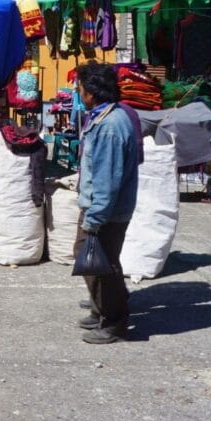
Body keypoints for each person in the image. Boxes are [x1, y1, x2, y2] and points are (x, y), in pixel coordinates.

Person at [74, 62, 140, 344]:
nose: (78, 93)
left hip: (106, 211)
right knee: (91, 258)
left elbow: (107, 179)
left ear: (91, 92)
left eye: (80, 88)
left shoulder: (111, 126)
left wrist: (95, 218)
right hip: (99, 207)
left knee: (103, 263)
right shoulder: (104, 117)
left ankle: (115, 323)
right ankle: (102, 308)